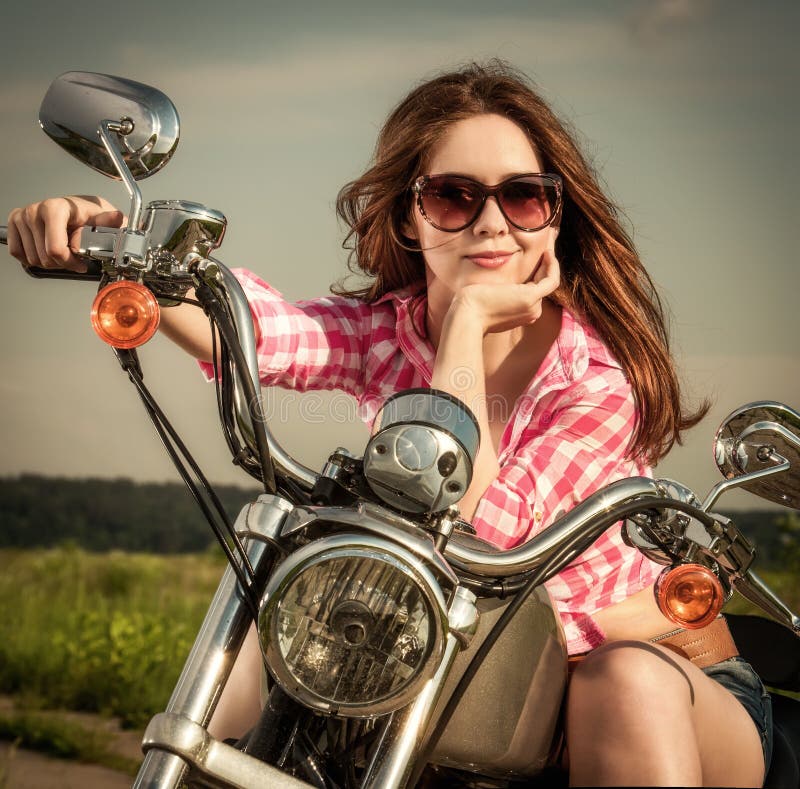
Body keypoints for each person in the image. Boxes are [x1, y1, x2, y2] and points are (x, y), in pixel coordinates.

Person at [6, 60, 772, 787]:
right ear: (411, 213)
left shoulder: (597, 384)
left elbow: (475, 526)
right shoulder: (387, 331)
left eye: (525, 196)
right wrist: (114, 249)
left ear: (555, 215)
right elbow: (260, 326)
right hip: (480, 680)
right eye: (453, 195)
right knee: (275, 603)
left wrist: (469, 319)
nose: (492, 223)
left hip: (667, 683)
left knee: (622, 681)